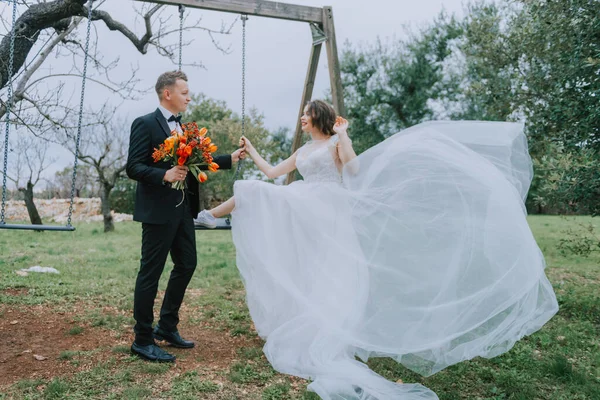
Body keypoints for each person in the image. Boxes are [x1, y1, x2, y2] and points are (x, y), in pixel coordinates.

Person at [195, 99, 559, 399]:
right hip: (306, 204)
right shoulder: (304, 149)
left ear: (318, 117)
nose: (302, 118)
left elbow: (353, 170)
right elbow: (274, 173)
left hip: (329, 209)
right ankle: (210, 217)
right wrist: (253, 150)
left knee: (328, 267)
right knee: (256, 189)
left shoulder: (334, 144)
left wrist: (344, 134)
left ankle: (212, 217)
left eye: (306, 114)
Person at [126, 70, 245, 363]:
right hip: (157, 212)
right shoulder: (144, 124)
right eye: (184, 92)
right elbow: (133, 167)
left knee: (187, 263)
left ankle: (166, 327)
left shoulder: (185, 128)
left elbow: (199, 161)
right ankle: (142, 339)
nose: (189, 97)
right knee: (150, 274)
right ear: (168, 94)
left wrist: (229, 158)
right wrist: (163, 174)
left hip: (182, 211)